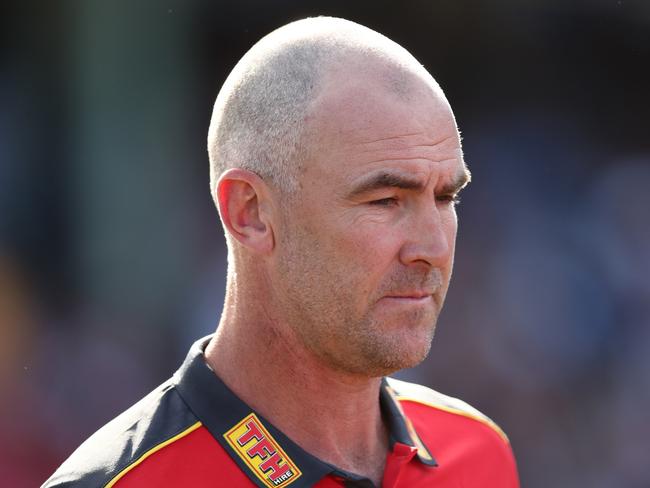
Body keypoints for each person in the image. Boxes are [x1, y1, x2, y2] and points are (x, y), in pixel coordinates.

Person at [43, 17, 519, 488]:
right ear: (249, 212)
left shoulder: (477, 451)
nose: (433, 247)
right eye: (385, 200)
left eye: (445, 198)